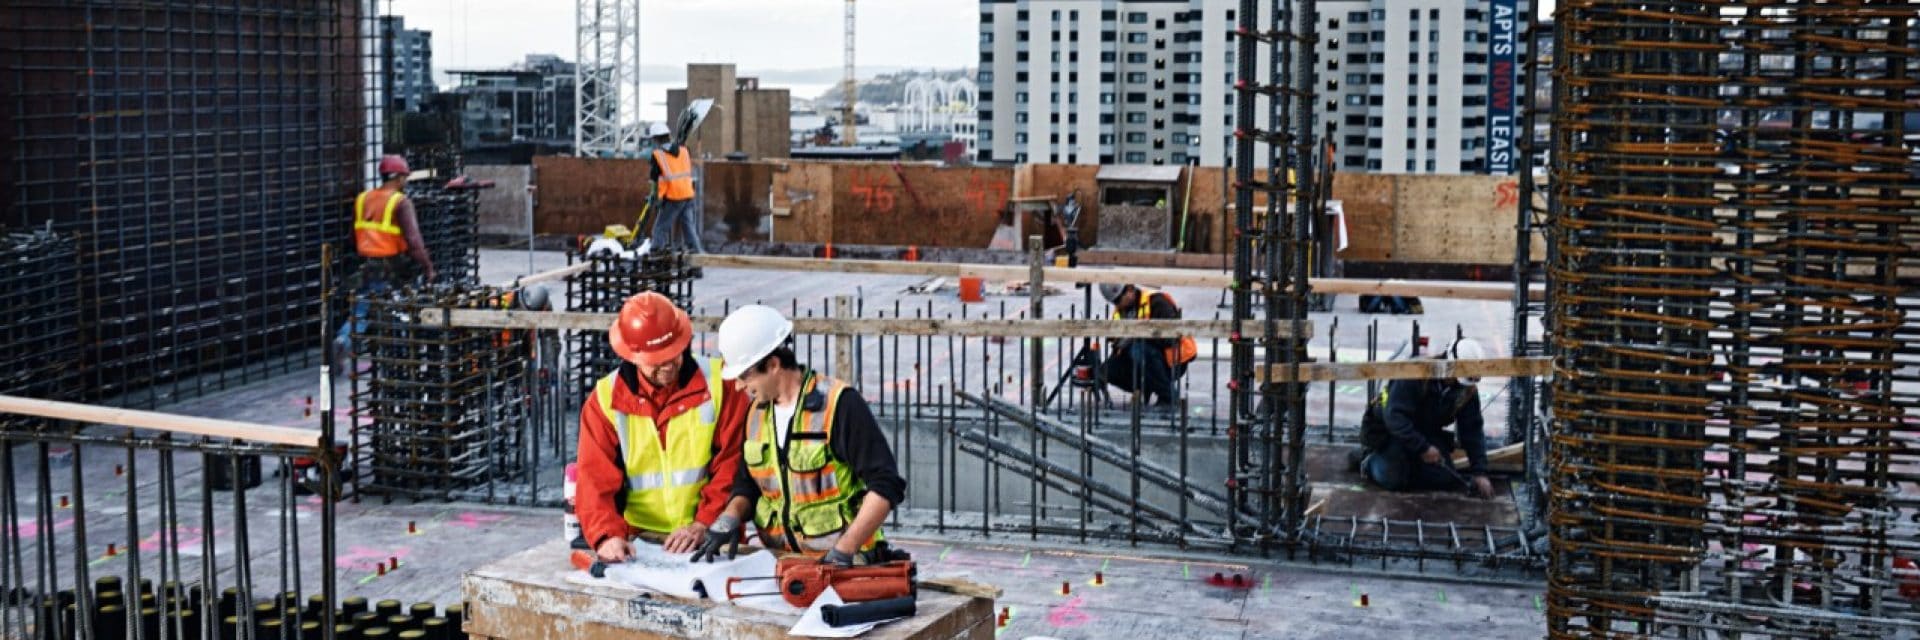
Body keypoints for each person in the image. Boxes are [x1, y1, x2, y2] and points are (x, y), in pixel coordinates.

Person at [691, 305, 907, 567]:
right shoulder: (756, 414)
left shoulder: (839, 405)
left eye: (744, 375)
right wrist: (730, 517)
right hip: (783, 562)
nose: (738, 386)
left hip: (845, 562)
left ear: (772, 365)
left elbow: (886, 484)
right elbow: (747, 485)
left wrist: (845, 550)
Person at [576, 292, 750, 561]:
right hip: (639, 540)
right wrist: (606, 536)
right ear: (633, 356)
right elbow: (593, 480)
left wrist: (704, 523)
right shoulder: (604, 401)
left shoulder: (722, 385)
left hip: (712, 535)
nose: (669, 366)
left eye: (675, 353)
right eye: (657, 361)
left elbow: (733, 465)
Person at [1355, 337, 1494, 498]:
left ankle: (1407, 466)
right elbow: (1395, 418)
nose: (1464, 384)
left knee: (1444, 479)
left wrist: (1480, 472)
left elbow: (1472, 430)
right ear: (1449, 364)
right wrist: (1422, 448)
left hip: (1424, 433)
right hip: (1389, 434)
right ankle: (1369, 460)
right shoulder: (1415, 373)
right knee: (1394, 480)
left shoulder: (1465, 389)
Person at [333, 155, 435, 365]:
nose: (405, 182)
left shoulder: (363, 199)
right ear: (398, 178)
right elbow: (414, 241)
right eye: (404, 177)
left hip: (365, 265)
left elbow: (352, 236)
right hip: (392, 267)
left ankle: (343, 339)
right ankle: (401, 356)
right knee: (398, 310)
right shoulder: (400, 202)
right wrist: (428, 267)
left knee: (361, 310)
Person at [1098, 283, 1196, 407]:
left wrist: (1140, 335)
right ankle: (1146, 388)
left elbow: (1171, 338)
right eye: (1115, 302)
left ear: (1130, 290)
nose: (1118, 305)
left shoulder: (1157, 302)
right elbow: (1118, 348)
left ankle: (1168, 396)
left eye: (1118, 300)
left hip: (1172, 362)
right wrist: (1102, 372)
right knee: (1109, 369)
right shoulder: (1121, 312)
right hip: (1143, 361)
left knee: (1138, 349)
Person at [648, 122, 705, 254]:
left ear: (656, 139)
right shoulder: (684, 150)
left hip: (673, 197)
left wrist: (658, 198)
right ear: (668, 135)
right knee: (689, 230)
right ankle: (697, 262)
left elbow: (656, 180)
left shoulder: (658, 155)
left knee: (660, 229)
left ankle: (655, 257)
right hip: (688, 194)